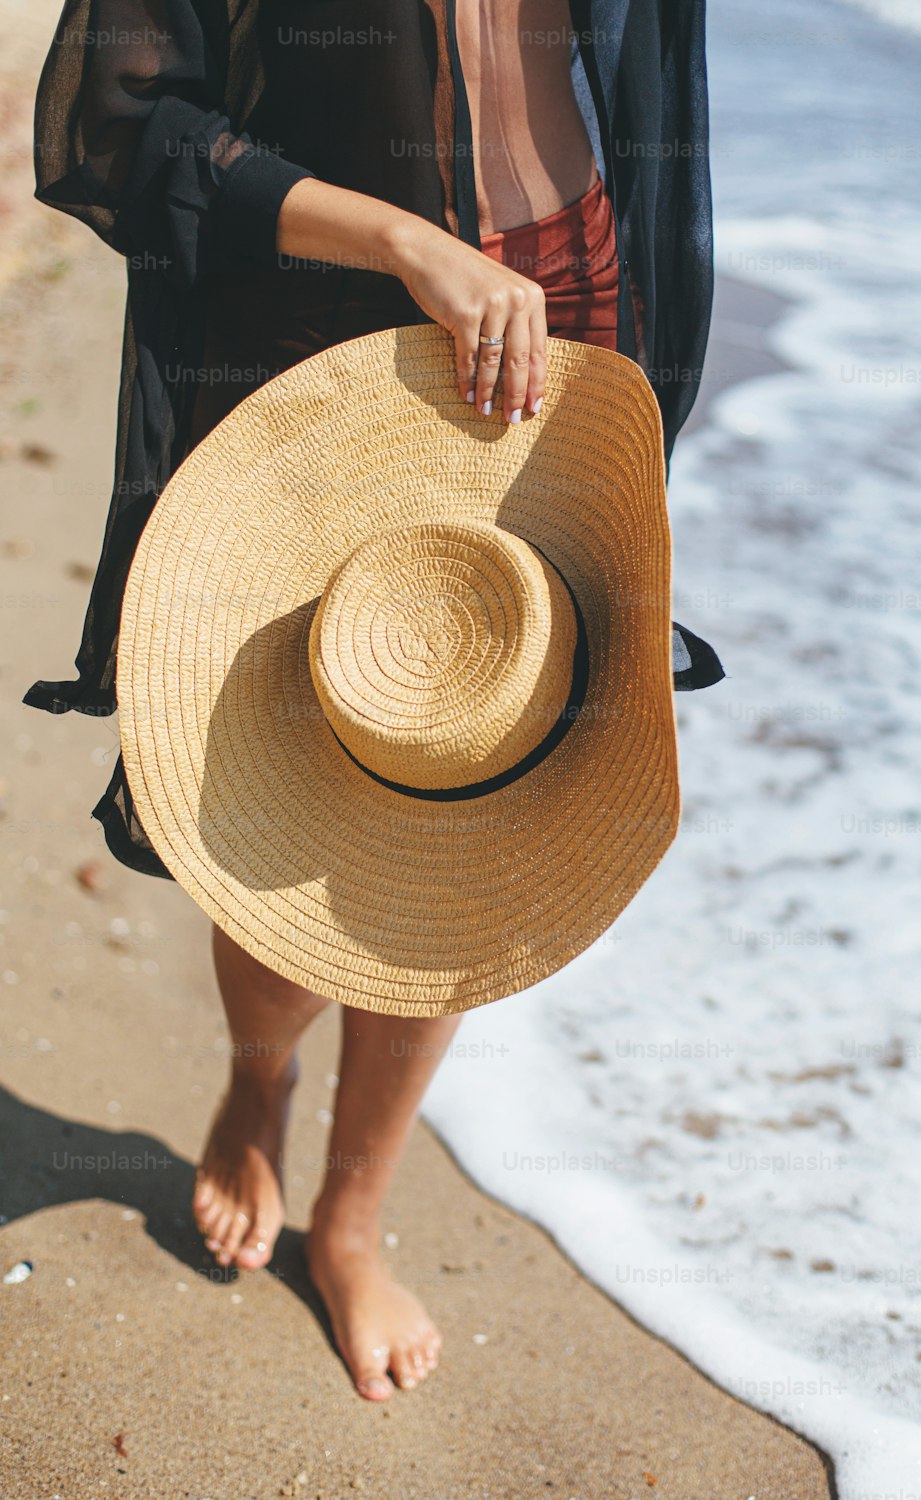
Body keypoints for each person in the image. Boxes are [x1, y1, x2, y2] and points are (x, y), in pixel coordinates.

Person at [23, 0, 722, 1401]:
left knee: (469, 801)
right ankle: (260, 1074)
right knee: (313, 783)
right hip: (331, 308)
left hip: (572, 288)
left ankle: (352, 1213)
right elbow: (119, 127)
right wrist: (405, 239)